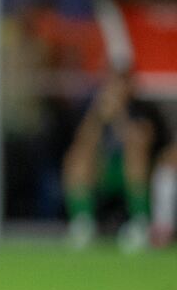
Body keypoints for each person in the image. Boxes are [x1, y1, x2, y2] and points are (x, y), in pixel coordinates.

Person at [63, 70, 171, 252]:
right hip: (104, 171)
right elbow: (83, 142)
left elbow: (139, 141)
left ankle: (140, 222)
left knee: (134, 155)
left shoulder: (143, 109)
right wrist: (97, 117)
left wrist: (119, 115)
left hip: (138, 173)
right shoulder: (96, 110)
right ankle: (83, 223)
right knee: (78, 158)